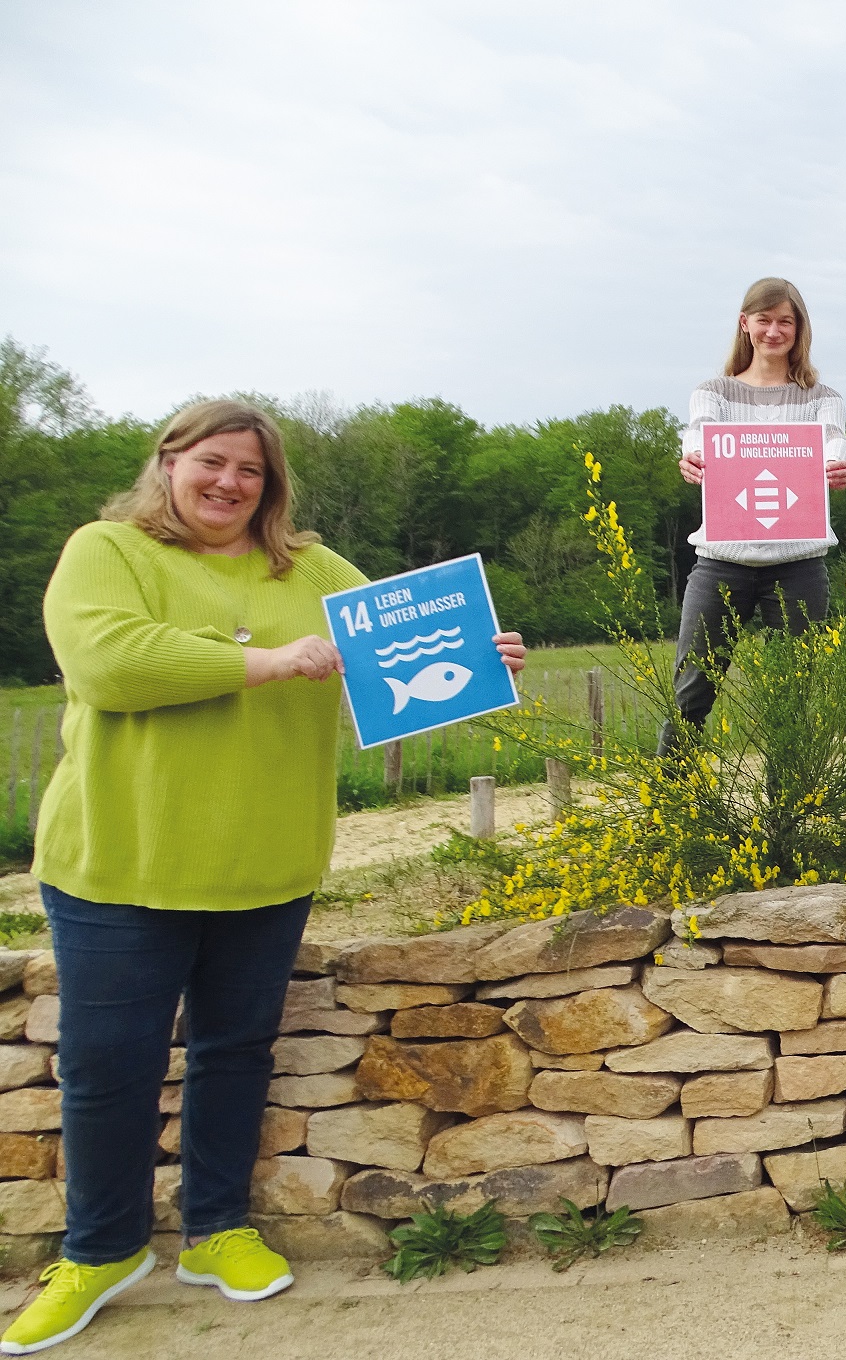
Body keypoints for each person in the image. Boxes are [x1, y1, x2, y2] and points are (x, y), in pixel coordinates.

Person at [5, 399, 527, 1356]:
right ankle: (100, 1251)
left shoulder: (313, 570)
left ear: (270, 484)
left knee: (235, 1052)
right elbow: (111, 663)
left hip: (266, 861)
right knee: (107, 1070)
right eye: (211, 462)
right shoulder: (107, 550)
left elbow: (388, 670)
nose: (229, 484)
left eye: (250, 470)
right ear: (169, 463)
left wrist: (477, 660)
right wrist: (270, 661)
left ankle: (216, 1232)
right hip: (122, 863)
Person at [663, 277, 846, 750]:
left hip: (799, 566)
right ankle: (666, 807)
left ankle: (789, 816)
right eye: (764, 320)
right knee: (691, 694)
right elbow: (699, 438)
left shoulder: (821, 398)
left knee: (792, 701)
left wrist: (836, 467)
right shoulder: (714, 392)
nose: (774, 331)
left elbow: (833, 444)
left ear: (799, 328)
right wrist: (691, 459)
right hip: (720, 563)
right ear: (744, 324)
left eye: (784, 321)